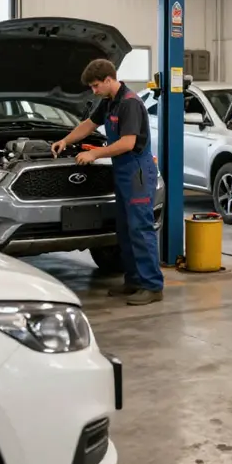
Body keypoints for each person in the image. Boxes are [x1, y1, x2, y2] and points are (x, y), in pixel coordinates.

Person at [51, 58, 163, 306]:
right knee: (125, 229)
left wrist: (94, 154)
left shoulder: (129, 104)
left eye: (95, 85)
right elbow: (89, 124)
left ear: (109, 80)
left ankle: (152, 285)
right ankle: (134, 281)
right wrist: (66, 141)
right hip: (122, 170)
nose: (94, 90)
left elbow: (128, 143)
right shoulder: (109, 102)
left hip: (137, 171)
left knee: (140, 228)